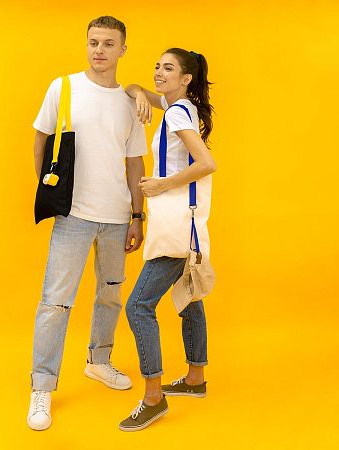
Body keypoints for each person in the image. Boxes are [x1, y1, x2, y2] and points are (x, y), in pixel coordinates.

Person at [27, 16, 148, 431]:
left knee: (111, 294)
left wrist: (137, 216)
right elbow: (41, 139)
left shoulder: (130, 102)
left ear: (122, 50)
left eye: (108, 43)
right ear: (87, 44)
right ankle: (42, 386)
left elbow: (135, 164)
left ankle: (99, 361)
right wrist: (47, 189)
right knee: (55, 303)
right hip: (74, 214)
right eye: (94, 42)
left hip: (116, 217)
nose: (99, 50)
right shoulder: (63, 87)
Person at [119, 48, 217, 431]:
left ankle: (153, 398)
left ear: (186, 78)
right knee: (189, 297)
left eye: (168, 68)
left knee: (139, 306)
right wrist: (141, 95)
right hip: (189, 222)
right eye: (157, 66)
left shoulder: (176, 113)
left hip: (174, 223)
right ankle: (195, 378)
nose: (159, 72)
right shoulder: (180, 105)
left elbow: (206, 163)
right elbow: (132, 87)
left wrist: (162, 184)